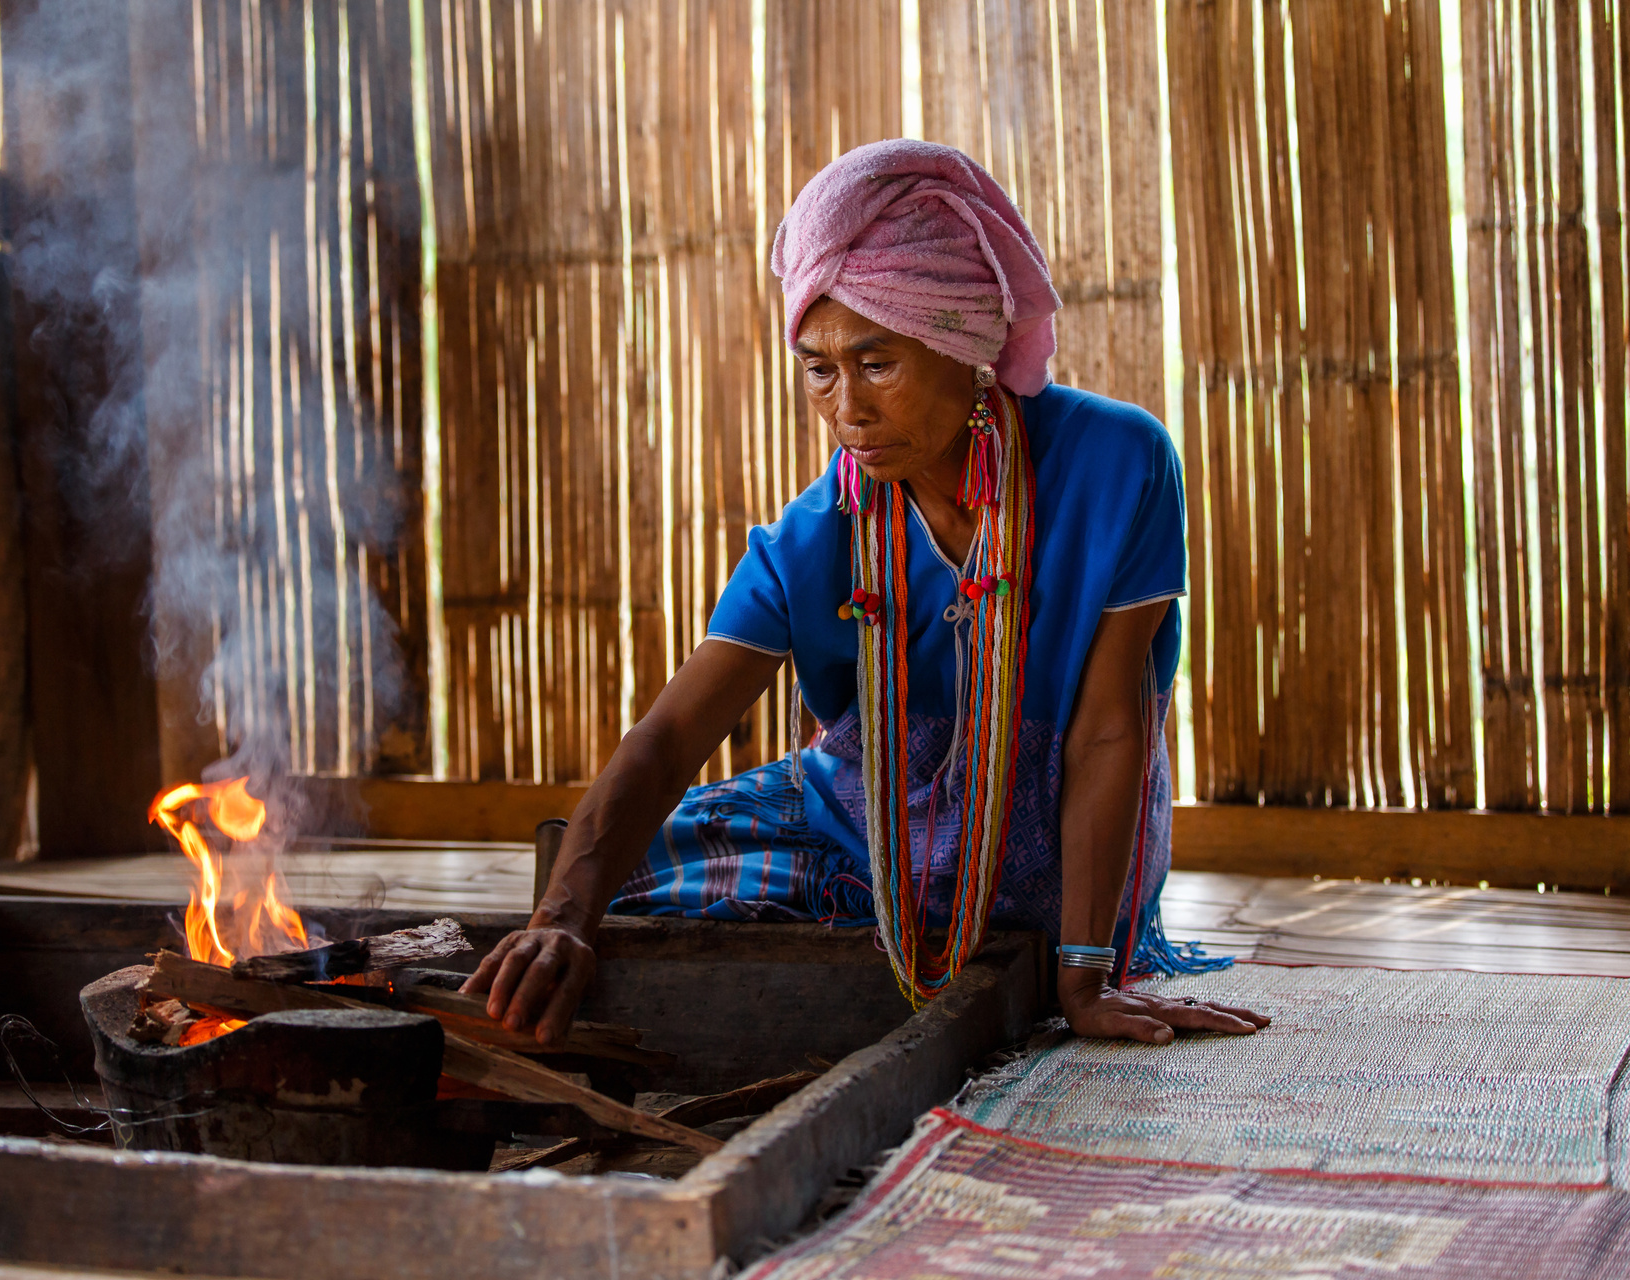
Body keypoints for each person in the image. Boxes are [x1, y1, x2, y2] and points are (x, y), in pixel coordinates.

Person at [461, 139, 1269, 1048]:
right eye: (818, 367)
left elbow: (1112, 727)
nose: (846, 409)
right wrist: (563, 917)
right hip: (872, 834)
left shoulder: (1118, 463)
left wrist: (1084, 974)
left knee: (623, 880)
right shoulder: (817, 535)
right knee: (599, 876)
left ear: (966, 346)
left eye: (876, 362)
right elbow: (673, 731)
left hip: (1057, 846)